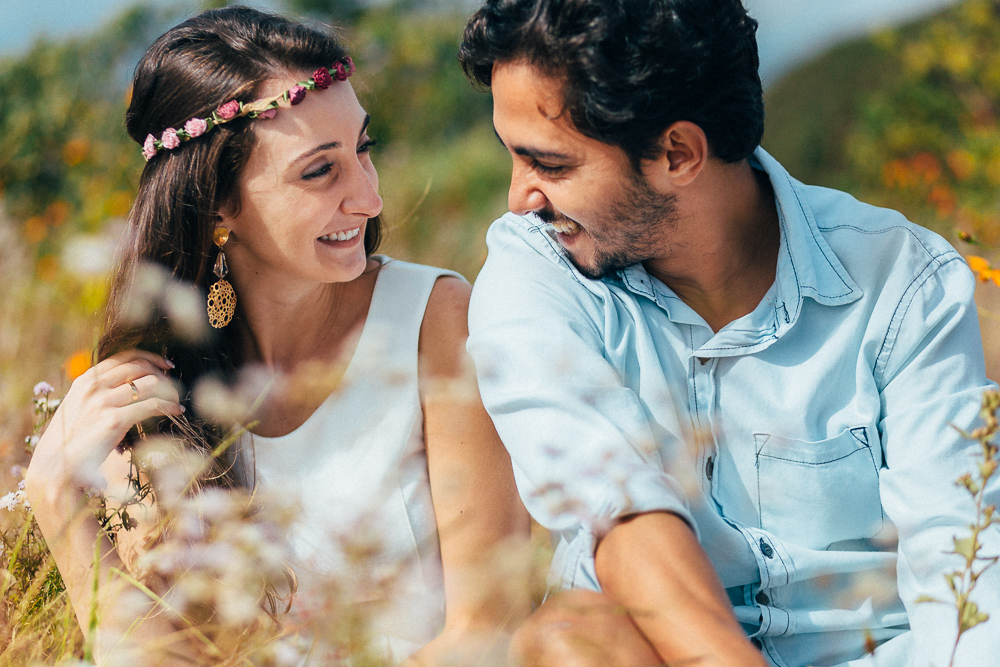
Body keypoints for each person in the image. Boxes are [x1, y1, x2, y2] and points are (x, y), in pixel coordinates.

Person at [457, 0, 1000, 665]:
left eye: (552, 165)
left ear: (678, 153)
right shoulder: (532, 272)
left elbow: (964, 565)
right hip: (650, 653)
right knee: (571, 640)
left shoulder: (903, 280)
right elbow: (622, 514)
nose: (519, 197)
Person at [24, 6, 529, 666]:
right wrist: (58, 501)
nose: (369, 198)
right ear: (217, 203)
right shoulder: (154, 395)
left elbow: (487, 629)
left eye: (363, 151)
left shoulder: (432, 319)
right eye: (321, 171)